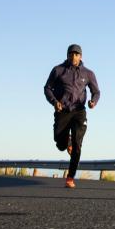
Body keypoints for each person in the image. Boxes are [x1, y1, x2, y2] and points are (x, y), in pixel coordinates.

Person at [44, 44, 100, 188]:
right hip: (62, 110)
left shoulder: (88, 73)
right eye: (71, 54)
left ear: (81, 56)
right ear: (67, 55)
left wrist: (93, 101)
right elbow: (47, 88)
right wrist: (54, 102)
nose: (73, 57)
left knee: (77, 144)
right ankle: (66, 142)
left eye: (76, 54)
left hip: (79, 112)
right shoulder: (58, 70)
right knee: (60, 143)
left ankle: (70, 177)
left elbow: (96, 91)